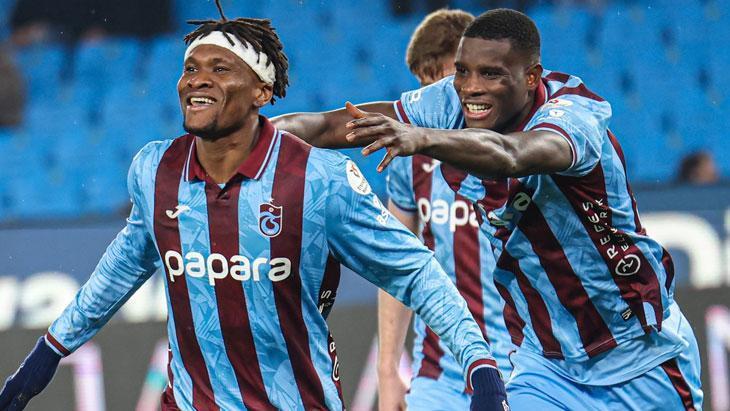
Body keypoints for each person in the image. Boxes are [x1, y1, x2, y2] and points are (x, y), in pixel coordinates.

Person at [0, 5, 508, 411]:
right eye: (191, 68)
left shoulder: (317, 179)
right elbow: (120, 269)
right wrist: (49, 353)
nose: (198, 80)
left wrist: (477, 363)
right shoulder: (155, 170)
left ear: (262, 92)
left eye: (220, 69)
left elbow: (413, 271)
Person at [273, 8, 703, 410]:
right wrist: (254, 134)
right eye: (462, 71)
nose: (470, 87)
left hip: (639, 353)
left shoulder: (574, 114)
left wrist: (421, 137)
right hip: (546, 364)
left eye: (491, 74)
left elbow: (512, 155)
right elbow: (331, 125)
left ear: (531, 77)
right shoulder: (450, 103)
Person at [376, 8, 516, 411]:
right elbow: (396, 263)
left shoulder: (517, 149)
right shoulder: (409, 158)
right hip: (438, 372)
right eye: (422, 83)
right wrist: (387, 369)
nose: (428, 98)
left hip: (518, 365)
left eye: (438, 80)